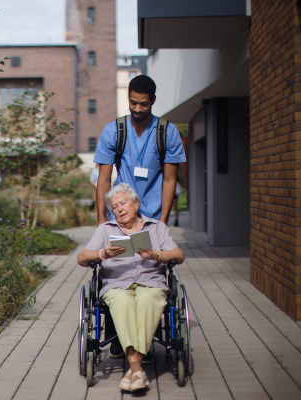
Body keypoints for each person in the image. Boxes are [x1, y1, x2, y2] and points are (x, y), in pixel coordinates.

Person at [93, 75, 186, 361]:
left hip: (153, 214)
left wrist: (163, 220)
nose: (137, 108)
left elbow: (170, 179)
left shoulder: (166, 132)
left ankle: (146, 334)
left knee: (149, 272)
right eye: (133, 102)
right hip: (120, 215)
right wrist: (101, 222)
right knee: (117, 270)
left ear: (153, 102)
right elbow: (104, 179)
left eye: (143, 104)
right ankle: (120, 338)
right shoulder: (114, 131)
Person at [77, 183, 184, 392]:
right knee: (123, 301)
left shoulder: (156, 228)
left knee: (147, 299)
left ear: (136, 203)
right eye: (114, 207)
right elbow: (82, 258)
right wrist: (102, 254)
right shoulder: (106, 230)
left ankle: (133, 371)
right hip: (117, 284)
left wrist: (155, 255)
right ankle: (137, 369)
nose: (119, 209)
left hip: (151, 282)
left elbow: (178, 255)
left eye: (123, 203)